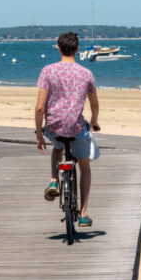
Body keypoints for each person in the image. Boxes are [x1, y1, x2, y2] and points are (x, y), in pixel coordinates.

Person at [35, 31, 100, 227]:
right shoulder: (86, 73)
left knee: (57, 148)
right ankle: (83, 213)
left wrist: (39, 134)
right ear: (78, 50)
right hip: (76, 127)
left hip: (54, 126)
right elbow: (95, 105)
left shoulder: (48, 71)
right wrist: (93, 121)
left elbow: (39, 107)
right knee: (84, 165)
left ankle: (54, 180)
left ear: (59, 47)